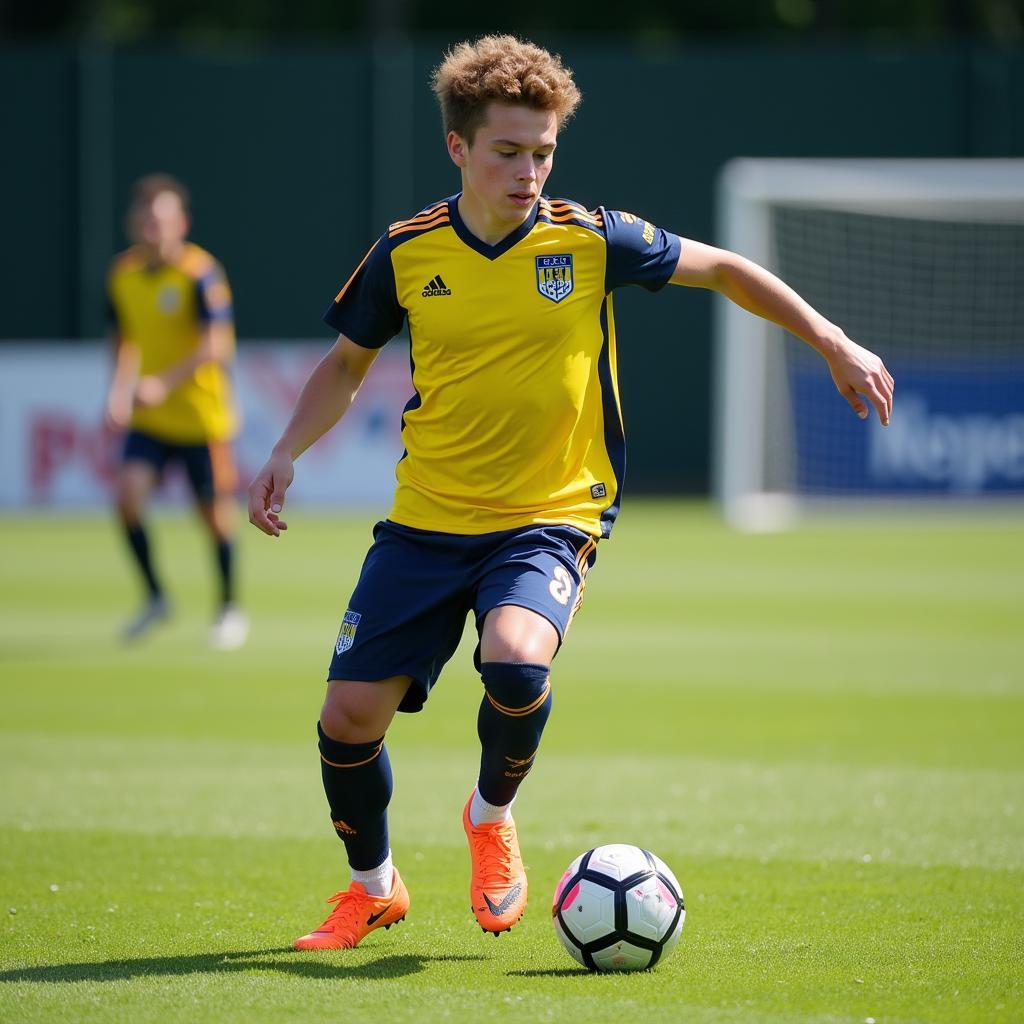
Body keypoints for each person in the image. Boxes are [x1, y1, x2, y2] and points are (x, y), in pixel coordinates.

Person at [247, 35, 894, 950]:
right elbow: (346, 364)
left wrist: (832, 338)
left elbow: (728, 270)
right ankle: (373, 887)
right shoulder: (406, 253)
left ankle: (489, 816)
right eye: (508, 151)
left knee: (516, 662)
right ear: (458, 149)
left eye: (543, 151)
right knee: (346, 722)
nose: (528, 171)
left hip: (550, 514)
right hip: (426, 522)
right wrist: (283, 451)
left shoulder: (591, 238)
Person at [105, 173, 249, 650]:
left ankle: (229, 608)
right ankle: (154, 598)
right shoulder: (122, 275)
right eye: (146, 219)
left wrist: (162, 383)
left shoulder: (199, 273)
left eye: (162, 219)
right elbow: (123, 338)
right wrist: (118, 391)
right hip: (150, 421)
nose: (153, 228)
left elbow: (217, 344)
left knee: (214, 519)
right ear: (134, 223)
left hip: (200, 419)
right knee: (127, 499)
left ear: (180, 223)